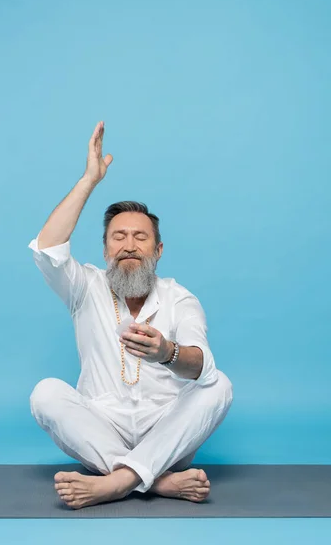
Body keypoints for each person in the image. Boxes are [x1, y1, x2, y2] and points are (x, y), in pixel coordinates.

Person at [28, 121, 233, 510]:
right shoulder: (84, 287)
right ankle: (155, 481)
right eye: (118, 237)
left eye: (140, 238)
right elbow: (46, 247)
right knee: (45, 393)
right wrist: (90, 180)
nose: (128, 245)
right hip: (101, 429)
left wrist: (166, 353)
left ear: (158, 250)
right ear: (105, 250)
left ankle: (116, 482)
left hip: (166, 433)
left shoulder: (180, 298)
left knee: (219, 384)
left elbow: (200, 367)